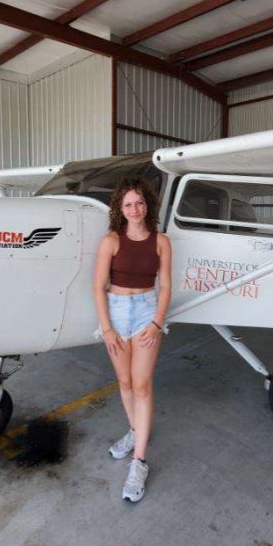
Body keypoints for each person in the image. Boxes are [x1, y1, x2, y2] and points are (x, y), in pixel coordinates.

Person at [94, 177, 172, 503]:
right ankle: (135, 431)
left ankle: (139, 462)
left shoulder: (161, 241)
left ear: (147, 205)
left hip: (144, 313)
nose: (135, 209)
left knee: (141, 385)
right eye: (128, 204)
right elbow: (98, 287)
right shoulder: (110, 241)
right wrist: (108, 329)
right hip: (115, 312)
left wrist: (156, 323)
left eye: (139, 202)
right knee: (124, 382)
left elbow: (165, 286)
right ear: (120, 209)